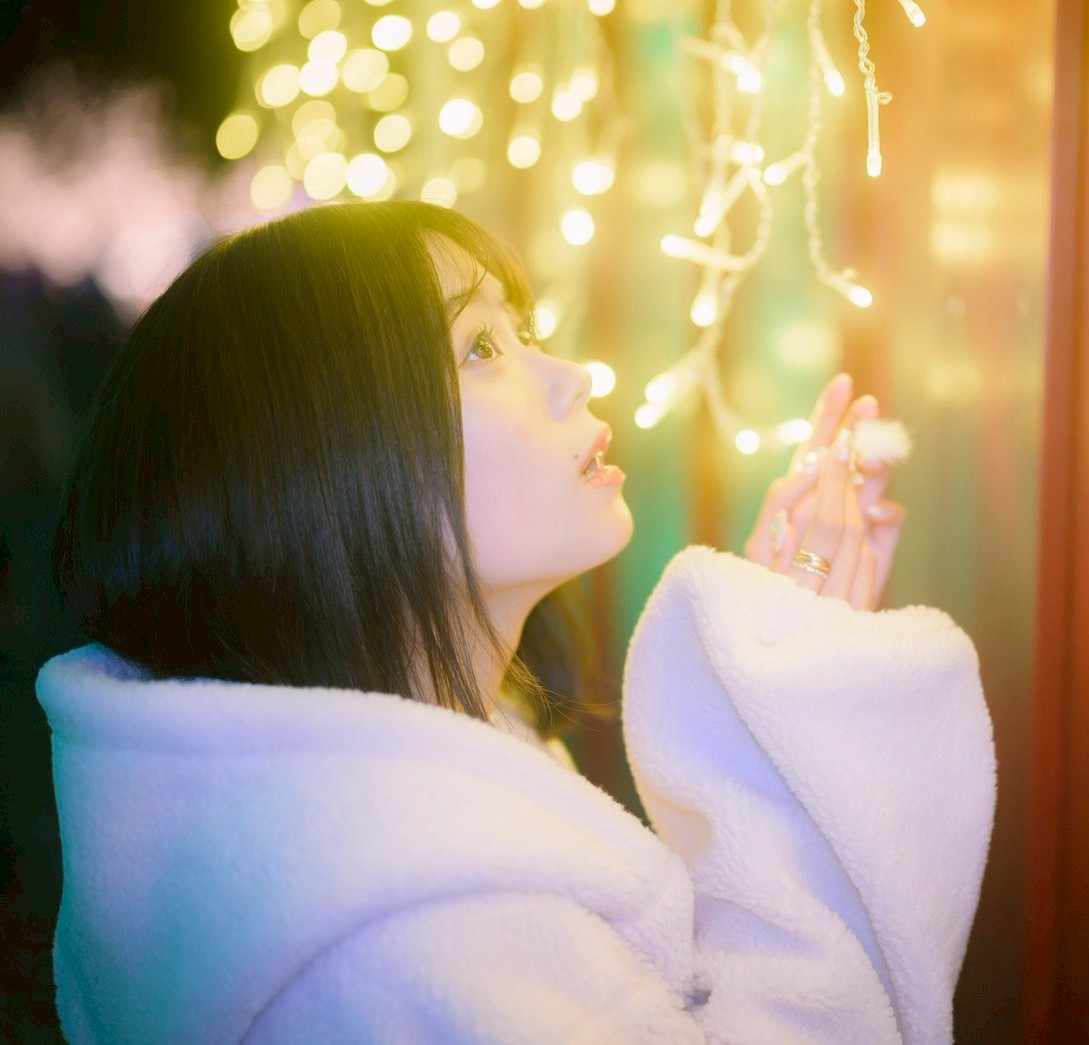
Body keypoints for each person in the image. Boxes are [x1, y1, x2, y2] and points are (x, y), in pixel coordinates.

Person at [35, 200, 995, 1043]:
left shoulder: (412, 801)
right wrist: (787, 728)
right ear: (330, 461)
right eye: (481, 349)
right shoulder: (424, 934)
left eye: (522, 331)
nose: (571, 375)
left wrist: (780, 681)